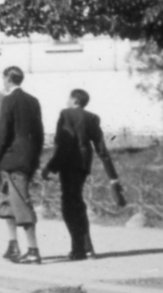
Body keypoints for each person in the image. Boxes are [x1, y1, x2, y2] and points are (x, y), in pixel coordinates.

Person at [42, 89, 123, 261]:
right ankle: (85, 248)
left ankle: (82, 248)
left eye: (68, 97)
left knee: (69, 205)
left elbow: (63, 143)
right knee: (77, 202)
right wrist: (112, 176)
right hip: (84, 164)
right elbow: (102, 149)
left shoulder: (65, 114)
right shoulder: (92, 118)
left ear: (73, 100)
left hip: (68, 163)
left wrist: (50, 167)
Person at [0, 65, 44, 264]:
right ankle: (13, 245)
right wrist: (34, 158)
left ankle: (33, 250)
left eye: (4, 79)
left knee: (20, 203)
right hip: (26, 159)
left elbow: (3, 133)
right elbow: (39, 133)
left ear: (8, 80)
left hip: (12, 160)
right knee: (8, 202)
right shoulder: (33, 101)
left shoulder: (9, 100)